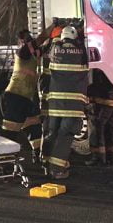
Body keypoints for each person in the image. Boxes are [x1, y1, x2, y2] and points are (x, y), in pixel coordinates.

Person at [41, 25, 89, 179]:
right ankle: (57, 170)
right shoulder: (82, 51)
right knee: (66, 135)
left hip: (55, 102)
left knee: (52, 132)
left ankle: (46, 162)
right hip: (73, 104)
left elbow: (46, 75)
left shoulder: (54, 49)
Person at [0, 29, 45, 160]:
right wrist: (53, 25)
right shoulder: (22, 52)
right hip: (15, 97)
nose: (29, 39)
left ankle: (38, 154)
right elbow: (41, 40)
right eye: (26, 38)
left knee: (34, 127)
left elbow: (45, 47)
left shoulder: (32, 54)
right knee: (10, 131)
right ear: (21, 41)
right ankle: (2, 159)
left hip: (26, 99)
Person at [85, 69, 113, 166]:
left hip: (103, 98)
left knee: (97, 128)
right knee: (111, 128)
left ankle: (98, 158)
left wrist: (88, 93)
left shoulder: (100, 64)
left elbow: (97, 82)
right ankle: (111, 157)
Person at [37, 23, 64, 158]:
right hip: (52, 93)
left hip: (45, 93)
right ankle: (47, 156)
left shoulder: (47, 48)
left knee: (47, 128)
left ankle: (43, 156)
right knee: (51, 128)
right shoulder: (59, 49)